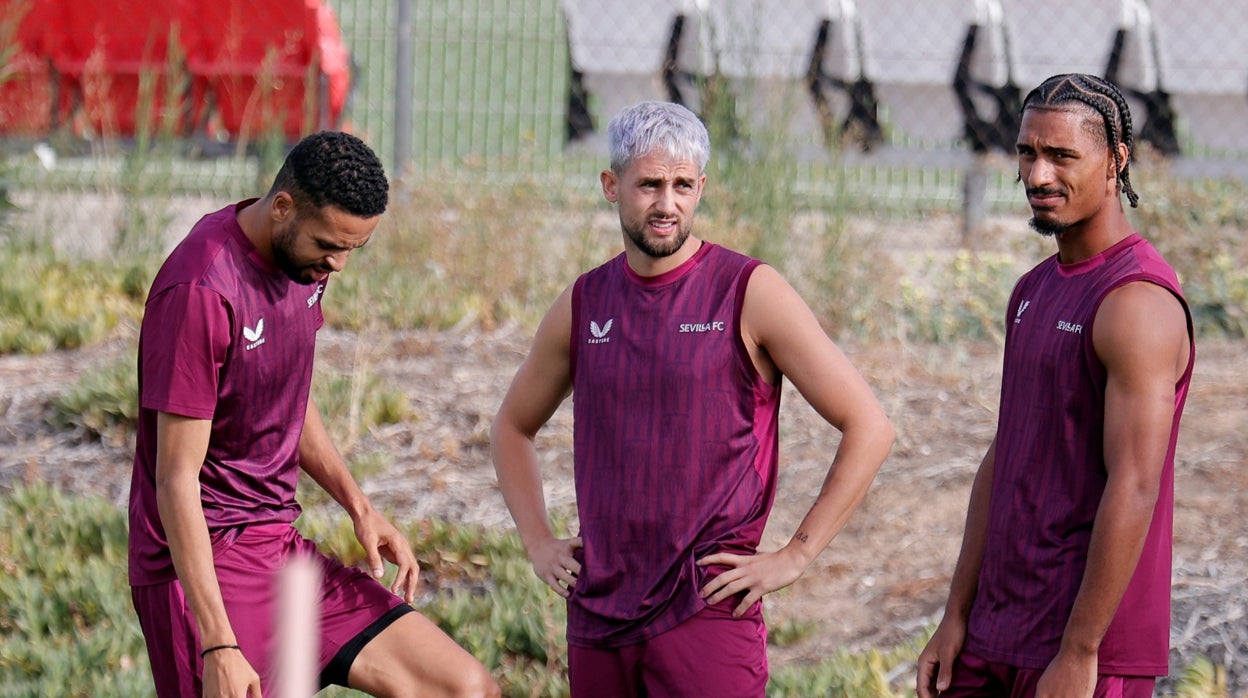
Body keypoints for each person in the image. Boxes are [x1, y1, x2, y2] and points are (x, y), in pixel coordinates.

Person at [491, 100, 895, 696]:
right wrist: (538, 541)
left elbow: (870, 426)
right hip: (600, 613)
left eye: (682, 185)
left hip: (706, 609)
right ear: (611, 186)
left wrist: (796, 555)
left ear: (701, 188)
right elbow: (511, 427)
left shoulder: (748, 291)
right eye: (649, 185)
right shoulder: (584, 303)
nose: (666, 204)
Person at [128, 131, 500, 698]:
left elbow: (286, 396)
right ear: (282, 207)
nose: (340, 263)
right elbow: (175, 481)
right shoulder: (202, 289)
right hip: (202, 563)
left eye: (354, 247)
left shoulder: (304, 265)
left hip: (278, 546)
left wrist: (360, 507)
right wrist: (218, 643)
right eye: (330, 244)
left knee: (463, 688)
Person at [916, 73, 1195, 698]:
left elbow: (1136, 484)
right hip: (996, 629)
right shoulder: (1034, 289)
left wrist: (1079, 650)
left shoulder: (1137, 302)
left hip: (1084, 650)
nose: (1039, 176)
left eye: (1063, 156)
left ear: (1117, 160)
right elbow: (1006, 452)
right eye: (1027, 152)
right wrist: (956, 613)